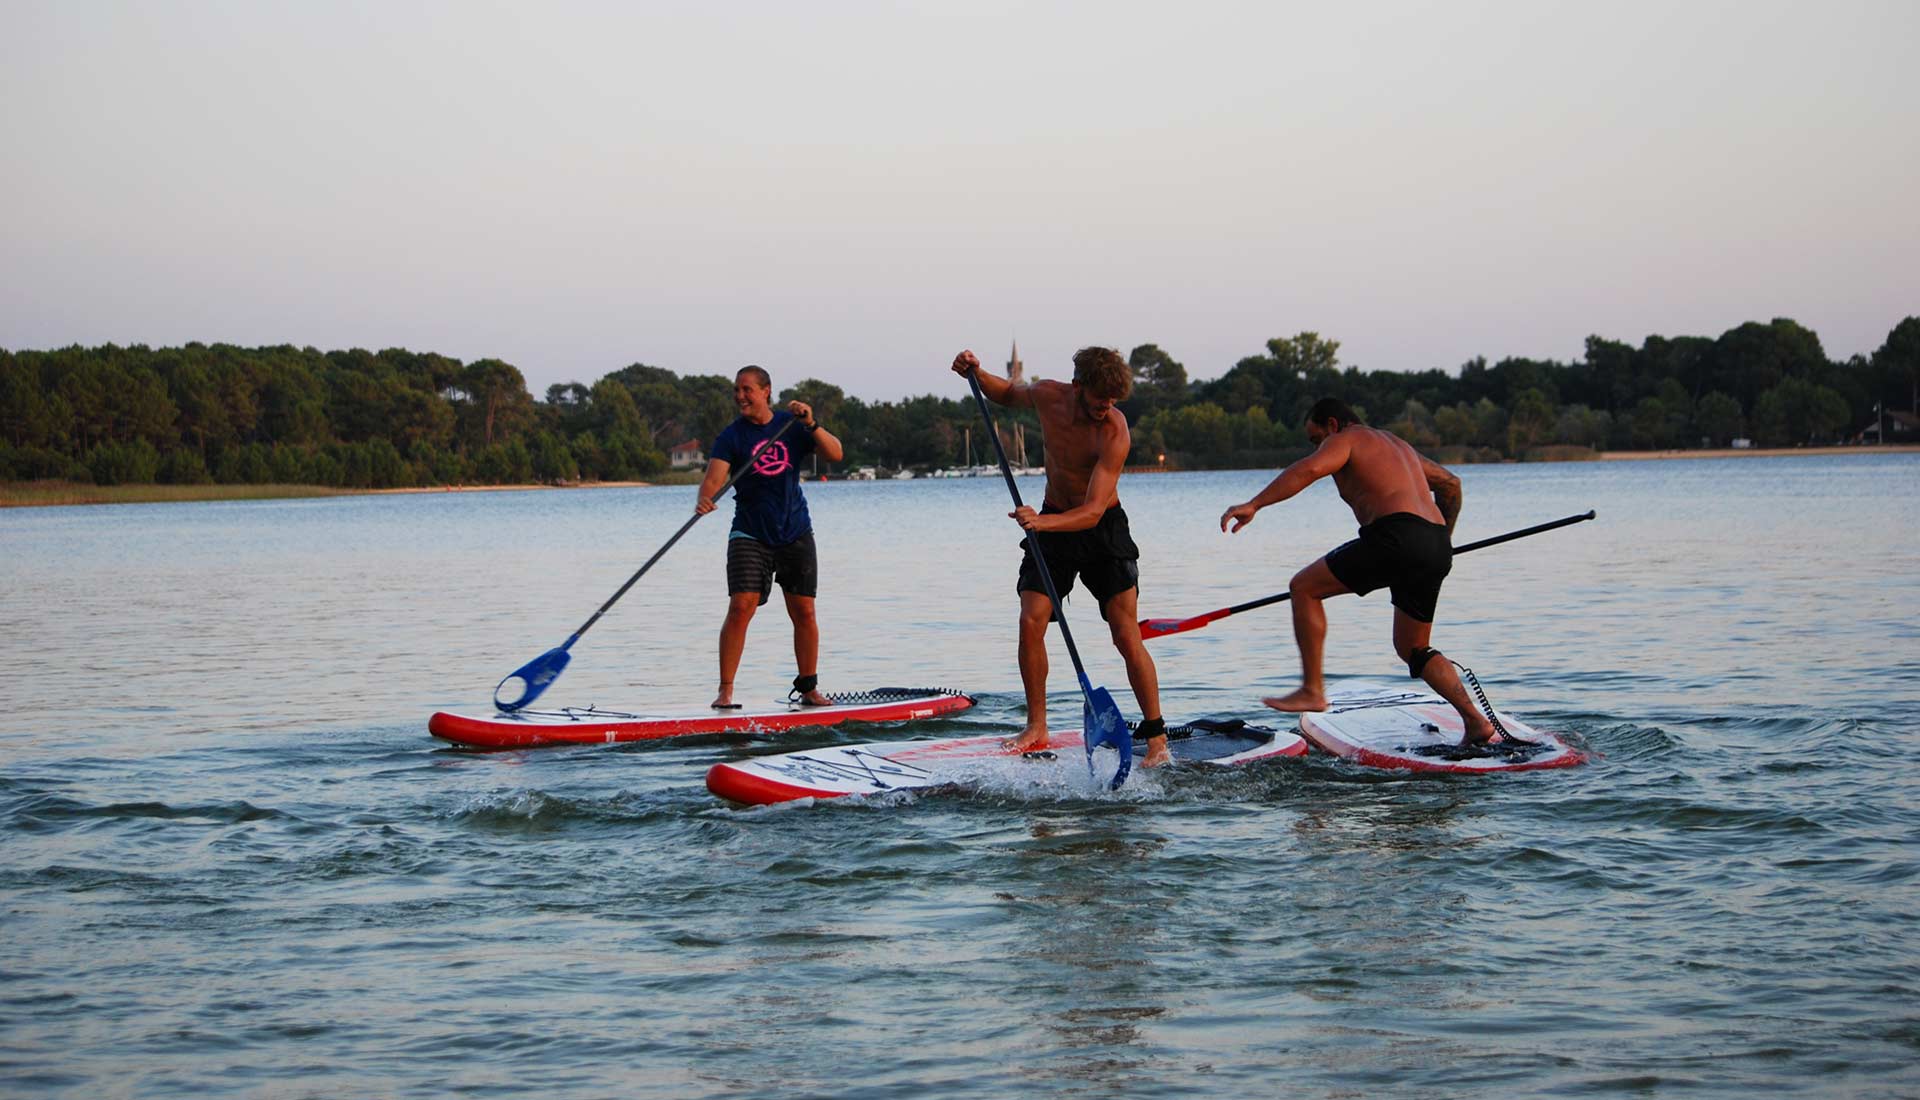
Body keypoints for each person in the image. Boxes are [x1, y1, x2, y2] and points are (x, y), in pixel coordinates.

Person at [1219, 397, 1501, 746]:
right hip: (1435, 545)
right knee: (1414, 648)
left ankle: (1311, 689)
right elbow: (1450, 483)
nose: (1318, 447)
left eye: (1315, 439)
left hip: (1396, 536)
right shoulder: (1400, 447)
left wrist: (1255, 504)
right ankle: (1475, 722)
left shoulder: (1346, 440)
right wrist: (1440, 540)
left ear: (1333, 425)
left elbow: (1308, 470)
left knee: (1304, 587)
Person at [952, 347, 1170, 767]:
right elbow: (1008, 394)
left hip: (1102, 529)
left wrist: (1040, 524)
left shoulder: (1114, 432)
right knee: (1031, 619)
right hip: (1051, 521)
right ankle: (1036, 727)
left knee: (1126, 633)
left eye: (1111, 403)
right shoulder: (1050, 395)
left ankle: (1157, 737)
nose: (1104, 410)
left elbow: (1090, 512)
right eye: (1097, 401)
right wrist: (976, 373)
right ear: (1077, 387)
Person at [697, 365, 844, 709]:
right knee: (740, 607)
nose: (740, 396)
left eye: (747, 389)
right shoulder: (732, 436)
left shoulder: (791, 426)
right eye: (737, 390)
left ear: (766, 391)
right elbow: (714, 477)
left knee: (804, 612)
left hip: (794, 531)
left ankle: (808, 688)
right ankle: (725, 691)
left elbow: (835, 454)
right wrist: (705, 497)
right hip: (750, 532)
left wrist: (810, 423)